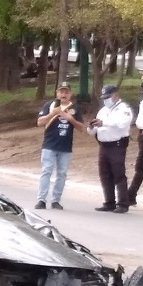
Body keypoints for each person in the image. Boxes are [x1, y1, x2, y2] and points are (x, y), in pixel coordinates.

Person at [34, 82, 84, 210]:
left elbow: (81, 128)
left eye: (66, 92)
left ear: (70, 94)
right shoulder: (50, 106)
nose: (64, 94)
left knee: (62, 174)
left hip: (65, 147)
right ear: (57, 93)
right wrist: (52, 114)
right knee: (46, 171)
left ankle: (56, 200)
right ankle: (41, 200)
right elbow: (39, 122)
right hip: (49, 145)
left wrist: (70, 118)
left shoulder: (74, 108)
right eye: (61, 92)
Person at [87, 84, 133, 213]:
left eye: (107, 97)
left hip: (117, 145)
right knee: (105, 174)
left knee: (118, 174)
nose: (105, 99)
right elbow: (94, 130)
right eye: (104, 97)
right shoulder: (103, 111)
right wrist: (91, 128)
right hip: (104, 145)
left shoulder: (123, 108)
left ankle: (123, 203)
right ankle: (109, 202)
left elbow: (122, 123)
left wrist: (103, 123)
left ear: (115, 95)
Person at [127, 74, 143, 205]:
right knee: (142, 166)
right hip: (142, 133)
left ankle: (130, 195)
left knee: (141, 165)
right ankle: (131, 195)